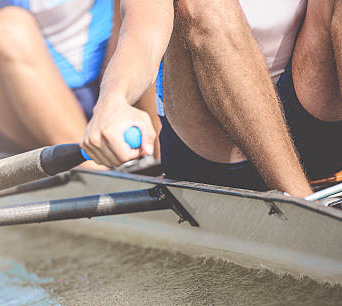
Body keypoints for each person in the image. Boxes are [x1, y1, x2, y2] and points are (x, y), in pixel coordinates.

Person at [81, 0, 342, 197]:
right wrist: (113, 100)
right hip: (219, 145)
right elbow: (142, 33)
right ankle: (303, 205)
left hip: (316, 108)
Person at [0, 0, 160, 163]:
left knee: (151, 12)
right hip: (27, 103)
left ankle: (163, 154)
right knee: (8, 26)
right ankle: (95, 173)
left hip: (114, 82)